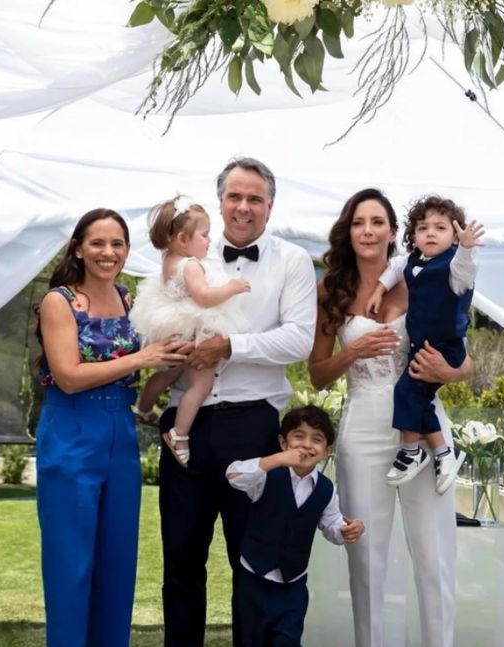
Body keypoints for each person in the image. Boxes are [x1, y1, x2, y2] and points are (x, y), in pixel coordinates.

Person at [158, 157, 318, 647]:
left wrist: (230, 346)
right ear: (220, 201)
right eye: (234, 196)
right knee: (181, 558)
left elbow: (299, 340)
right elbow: (155, 317)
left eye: (254, 198)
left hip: (253, 425)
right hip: (185, 425)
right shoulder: (190, 253)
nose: (243, 207)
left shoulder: (292, 260)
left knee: (251, 560)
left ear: (271, 205)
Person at [308, 188, 473, 647]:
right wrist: (353, 351)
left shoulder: (424, 277)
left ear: (394, 232)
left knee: (435, 555)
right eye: (358, 222)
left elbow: (465, 361)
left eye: (377, 222)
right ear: (348, 231)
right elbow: (317, 375)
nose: (367, 231)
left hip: (423, 423)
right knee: (365, 559)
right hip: (362, 427)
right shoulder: (330, 291)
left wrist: (448, 372)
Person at [34, 208, 187, 647]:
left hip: (121, 431)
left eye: (117, 243)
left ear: (127, 250)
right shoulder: (59, 302)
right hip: (71, 428)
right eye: (97, 243)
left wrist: (180, 353)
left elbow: (151, 365)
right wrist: (141, 358)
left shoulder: (128, 299)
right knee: (70, 565)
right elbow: (67, 375)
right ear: (78, 249)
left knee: (118, 563)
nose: (108, 252)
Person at [365, 195, 484, 492]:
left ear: (454, 236)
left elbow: (465, 268)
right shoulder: (411, 261)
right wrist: (379, 290)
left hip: (445, 347)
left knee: (406, 391)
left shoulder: (455, 268)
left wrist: (466, 247)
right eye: (423, 228)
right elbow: (395, 267)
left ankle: (411, 452)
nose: (430, 233)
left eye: (440, 228)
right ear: (413, 235)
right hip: (422, 345)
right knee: (420, 398)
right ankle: (444, 454)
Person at [226, 405, 364, 646]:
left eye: (316, 439)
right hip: (253, 580)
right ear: (283, 442)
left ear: (327, 451)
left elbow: (331, 523)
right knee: (251, 640)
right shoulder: (266, 476)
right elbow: (234, 475)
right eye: (299, 436)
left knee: (288, 640)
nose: (306, 445)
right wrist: (276, 460)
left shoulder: (326, 489)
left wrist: (347, 529)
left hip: (293, 586)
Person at [129, 195, 250, 466]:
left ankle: (144, 408)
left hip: (171, 325)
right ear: (184, 239)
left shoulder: (168, 257)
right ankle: (179, 434)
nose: (209, 240)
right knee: (202, 383)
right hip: (192, 328)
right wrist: (231, 287)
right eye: (204, 235)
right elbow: (204, 297)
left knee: (169, 373)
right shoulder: (190, 265)